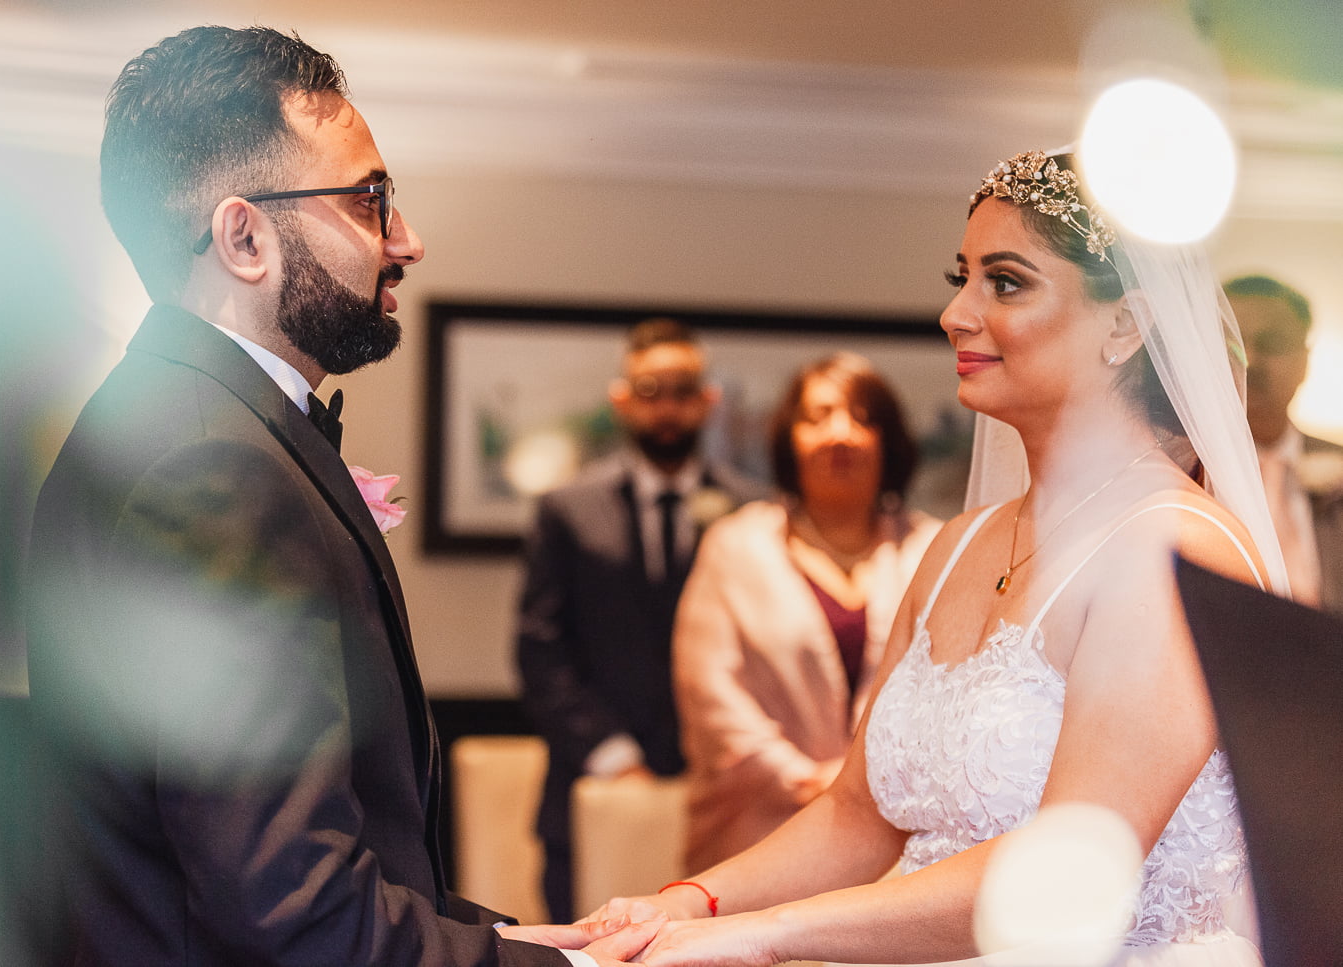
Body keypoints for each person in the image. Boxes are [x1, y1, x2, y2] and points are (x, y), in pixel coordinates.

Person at [24, 26, 657, 967]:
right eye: (369, 200)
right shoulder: (209, 466)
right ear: (244, 237)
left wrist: (510, 938)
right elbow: (292, 909)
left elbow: (302, 867)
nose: (406, 240)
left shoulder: (186, 425)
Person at [588, 149, 1286, 966]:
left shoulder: (1174, 550)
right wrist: (685, 902)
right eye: (963, 278)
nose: (956, 313)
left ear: (1126, 326)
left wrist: (761, 935)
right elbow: (857, 814)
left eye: (1006, 282)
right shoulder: (956, 547)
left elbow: (1069, 875)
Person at [516, 319, 768, 921]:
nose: (667, 408)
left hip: (725, 791)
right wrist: (613, 756)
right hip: (593, 788)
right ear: (622, 399)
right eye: (651, 391)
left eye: (683, 391)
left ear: (708, 400)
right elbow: (541, 650)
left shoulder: (754, 510)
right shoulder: (567, 510)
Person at [673, 352, 940, 873]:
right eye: (818, 417)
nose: (840, 434)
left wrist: (873, 785)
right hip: (757, 833)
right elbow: (711, 697)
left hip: (898, 839)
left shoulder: (935, 548)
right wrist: (808, 781)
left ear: (888, 441)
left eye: (862, 418)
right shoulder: (736, 546)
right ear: (788, 440)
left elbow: (953, 689)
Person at [1223, 274, 1343, 611]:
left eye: (1272, 343)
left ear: (1305, 361)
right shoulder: (1175, 469)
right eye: (1231, 343)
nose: (1249, 359)